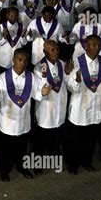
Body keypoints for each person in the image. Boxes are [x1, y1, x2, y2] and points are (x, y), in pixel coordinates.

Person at [0, 48, 49, 181]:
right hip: (7, 121)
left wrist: (42, 93)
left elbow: (35, 94)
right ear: (13, 60)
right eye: (20, 60)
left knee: (22, 148)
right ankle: (4, 170)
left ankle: (21, 167)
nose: (22, 63)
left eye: (25, 60)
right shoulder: (2, 78)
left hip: (24, 120)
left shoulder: (31, 77)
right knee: (5, 149)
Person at [65, 35, 101, 174]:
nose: (97, 48)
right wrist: (77, 80)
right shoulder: (77, 62)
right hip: (80, 108)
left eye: (99, 45)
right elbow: (71, 88)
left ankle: (87, 162)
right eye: (93, 45)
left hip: (96, 107)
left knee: (91, 139)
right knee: (75, 140)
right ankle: (73, 165)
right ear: (86, 46)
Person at [32, 40, 70, 174]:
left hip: (60, 109)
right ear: (44, 52)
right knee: (41, 142)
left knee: (56, 141)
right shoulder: (38, 68)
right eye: (52, 50)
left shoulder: (62, 64)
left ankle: (54, 162)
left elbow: (67, 83)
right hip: (46, 111)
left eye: (57, 49)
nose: (55, 52)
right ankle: (37, 165)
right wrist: (43, 78)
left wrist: (70, 74)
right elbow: (37, 90)